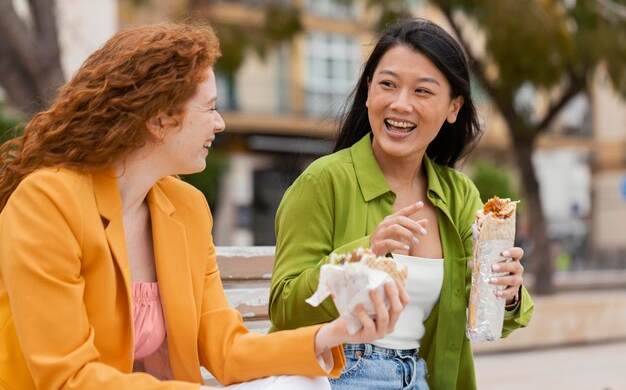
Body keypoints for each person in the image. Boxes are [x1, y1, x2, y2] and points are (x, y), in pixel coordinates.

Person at [0, 22, 409, 390]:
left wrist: (333, 334)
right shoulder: (46, 202)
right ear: (160, 120)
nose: (220, 124)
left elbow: (226, 348)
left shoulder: (187, 207)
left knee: (307, 383)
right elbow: (67, 377)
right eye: (210, 107)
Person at [268, 18, 534, 390]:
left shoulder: (459, 196)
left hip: (420, 377)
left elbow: (485, 321)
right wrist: (364, 254)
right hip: (335, 374)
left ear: (453, 107)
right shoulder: (322, 182)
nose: (400, 104)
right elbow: (284, 307)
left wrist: (506, 294)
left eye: (422, 92)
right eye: (387, 85)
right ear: (367, 92)